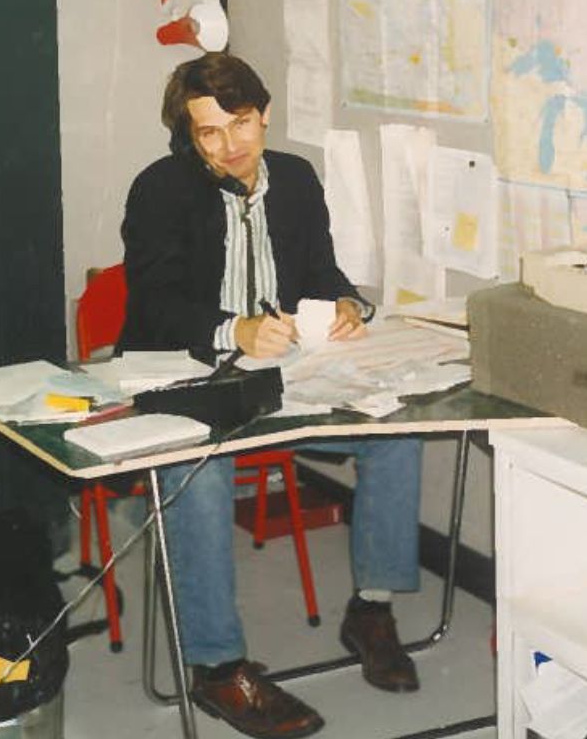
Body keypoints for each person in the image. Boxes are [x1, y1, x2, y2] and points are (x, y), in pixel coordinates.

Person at [118, 52, 422, 739]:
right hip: (188, 373)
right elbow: (155, 305)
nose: (232, 146)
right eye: (209, 133)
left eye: (243, 123)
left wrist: (344, 302)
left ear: (265, 113)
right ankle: (219, 666)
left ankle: (370, 612)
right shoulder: (160, 189)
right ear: (187, 137)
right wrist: (234, 329)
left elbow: (318, 269)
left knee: (392, 428)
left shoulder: (295, 177)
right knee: (194, 471)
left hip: (285, 374)